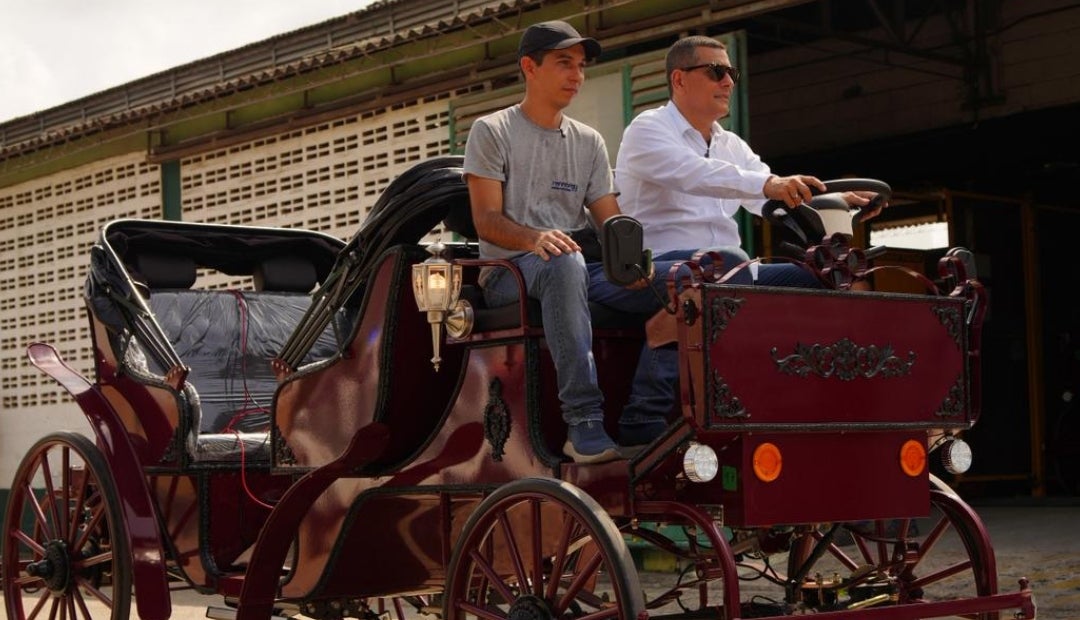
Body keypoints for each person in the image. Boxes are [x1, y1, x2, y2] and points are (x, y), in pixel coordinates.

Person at [462, 21, 734, 463]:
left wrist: (637, 261)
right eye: (564, 64)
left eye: (582, 66)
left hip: (576, 268)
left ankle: (646, 416)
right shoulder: (491, 131)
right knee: (564, 263)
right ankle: (583, 421)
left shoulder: (588, 141)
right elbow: (487, 220)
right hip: (511, 271)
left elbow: (611, 219)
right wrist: (535, 238)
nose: (576, 75)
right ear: (529, 67)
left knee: (705, 270)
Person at [615, 35, 884, 286]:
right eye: (716, 72)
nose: (729, 83)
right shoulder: (647, 128)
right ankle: (660, 337)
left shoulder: (731, 144)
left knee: (823, 275)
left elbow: (772, 199)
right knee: (727, 261)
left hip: (729, 271)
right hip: (661, 265)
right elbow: (695, 173)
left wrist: (837, 200)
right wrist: (770, 184)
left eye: (731, 74)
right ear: (679, 80)